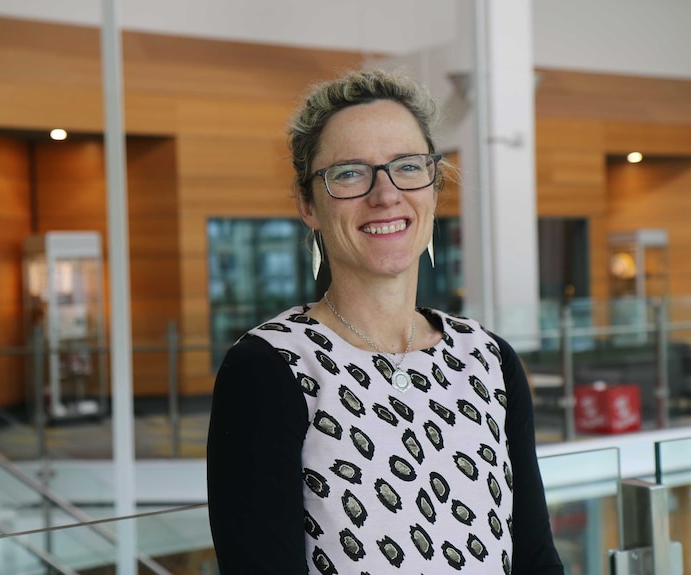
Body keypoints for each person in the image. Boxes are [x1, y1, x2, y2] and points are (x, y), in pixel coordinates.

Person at [207, 69, 563, 574]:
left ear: (434, 186)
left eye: (407, 167)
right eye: (350, 173)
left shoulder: (489, 360)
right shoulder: (269, 370)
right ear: (308, 204)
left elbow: (536, 561)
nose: (386, 194)